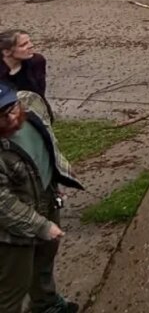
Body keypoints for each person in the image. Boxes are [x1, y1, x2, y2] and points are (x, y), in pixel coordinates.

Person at [0, 82, 83, 313]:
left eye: (12, 108)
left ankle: (46, 305)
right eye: (1, 116)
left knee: (44, 262)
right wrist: (41, 226)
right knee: (13, 288)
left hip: (46, 200)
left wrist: (59, 173)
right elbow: (3, 204)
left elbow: (49, 139)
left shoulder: (31, 103)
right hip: (11, 231)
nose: (11, 118)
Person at [0, 30, 48, 101]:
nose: (31, 46)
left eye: (29, 42)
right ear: (7, 52)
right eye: (23, 45)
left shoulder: (37, 61)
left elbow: (40, 93)